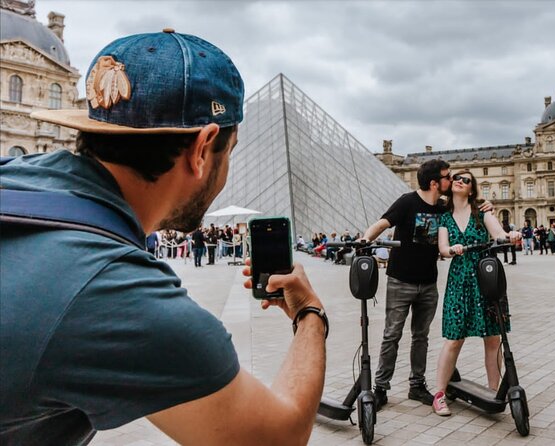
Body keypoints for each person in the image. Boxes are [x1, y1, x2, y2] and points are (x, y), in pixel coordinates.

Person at [1, 31, 327, 445]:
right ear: (203, 149)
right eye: (231, 152)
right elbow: (276, 438)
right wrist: (309, 314)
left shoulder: (13, 178)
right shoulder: (120, 297)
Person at [361, 160, 492, 410]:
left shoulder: (444, 208)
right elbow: (382, 223)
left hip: (428, 283)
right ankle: (381, 387)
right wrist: (365, 240)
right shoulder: (406, 202)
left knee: (421, 337)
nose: (451, 180)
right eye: (447, 177)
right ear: (435, 183)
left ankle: (417, 385)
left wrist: (487, 204)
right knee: (392, 335)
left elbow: (470, 207)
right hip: (400, 280)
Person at [432, 170, 520, 416]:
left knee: (493, 337)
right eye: (457, 178)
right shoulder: (445, 218)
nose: (460, 181)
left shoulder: (483, 211)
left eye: (466, 180)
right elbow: (443, 249)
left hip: (486, 277)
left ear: (472, 188)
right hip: (459, 280)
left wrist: (510, 235)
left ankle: (494, 391)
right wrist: (452, 249)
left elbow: (499, 234)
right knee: (454, 338)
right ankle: (438, 394)